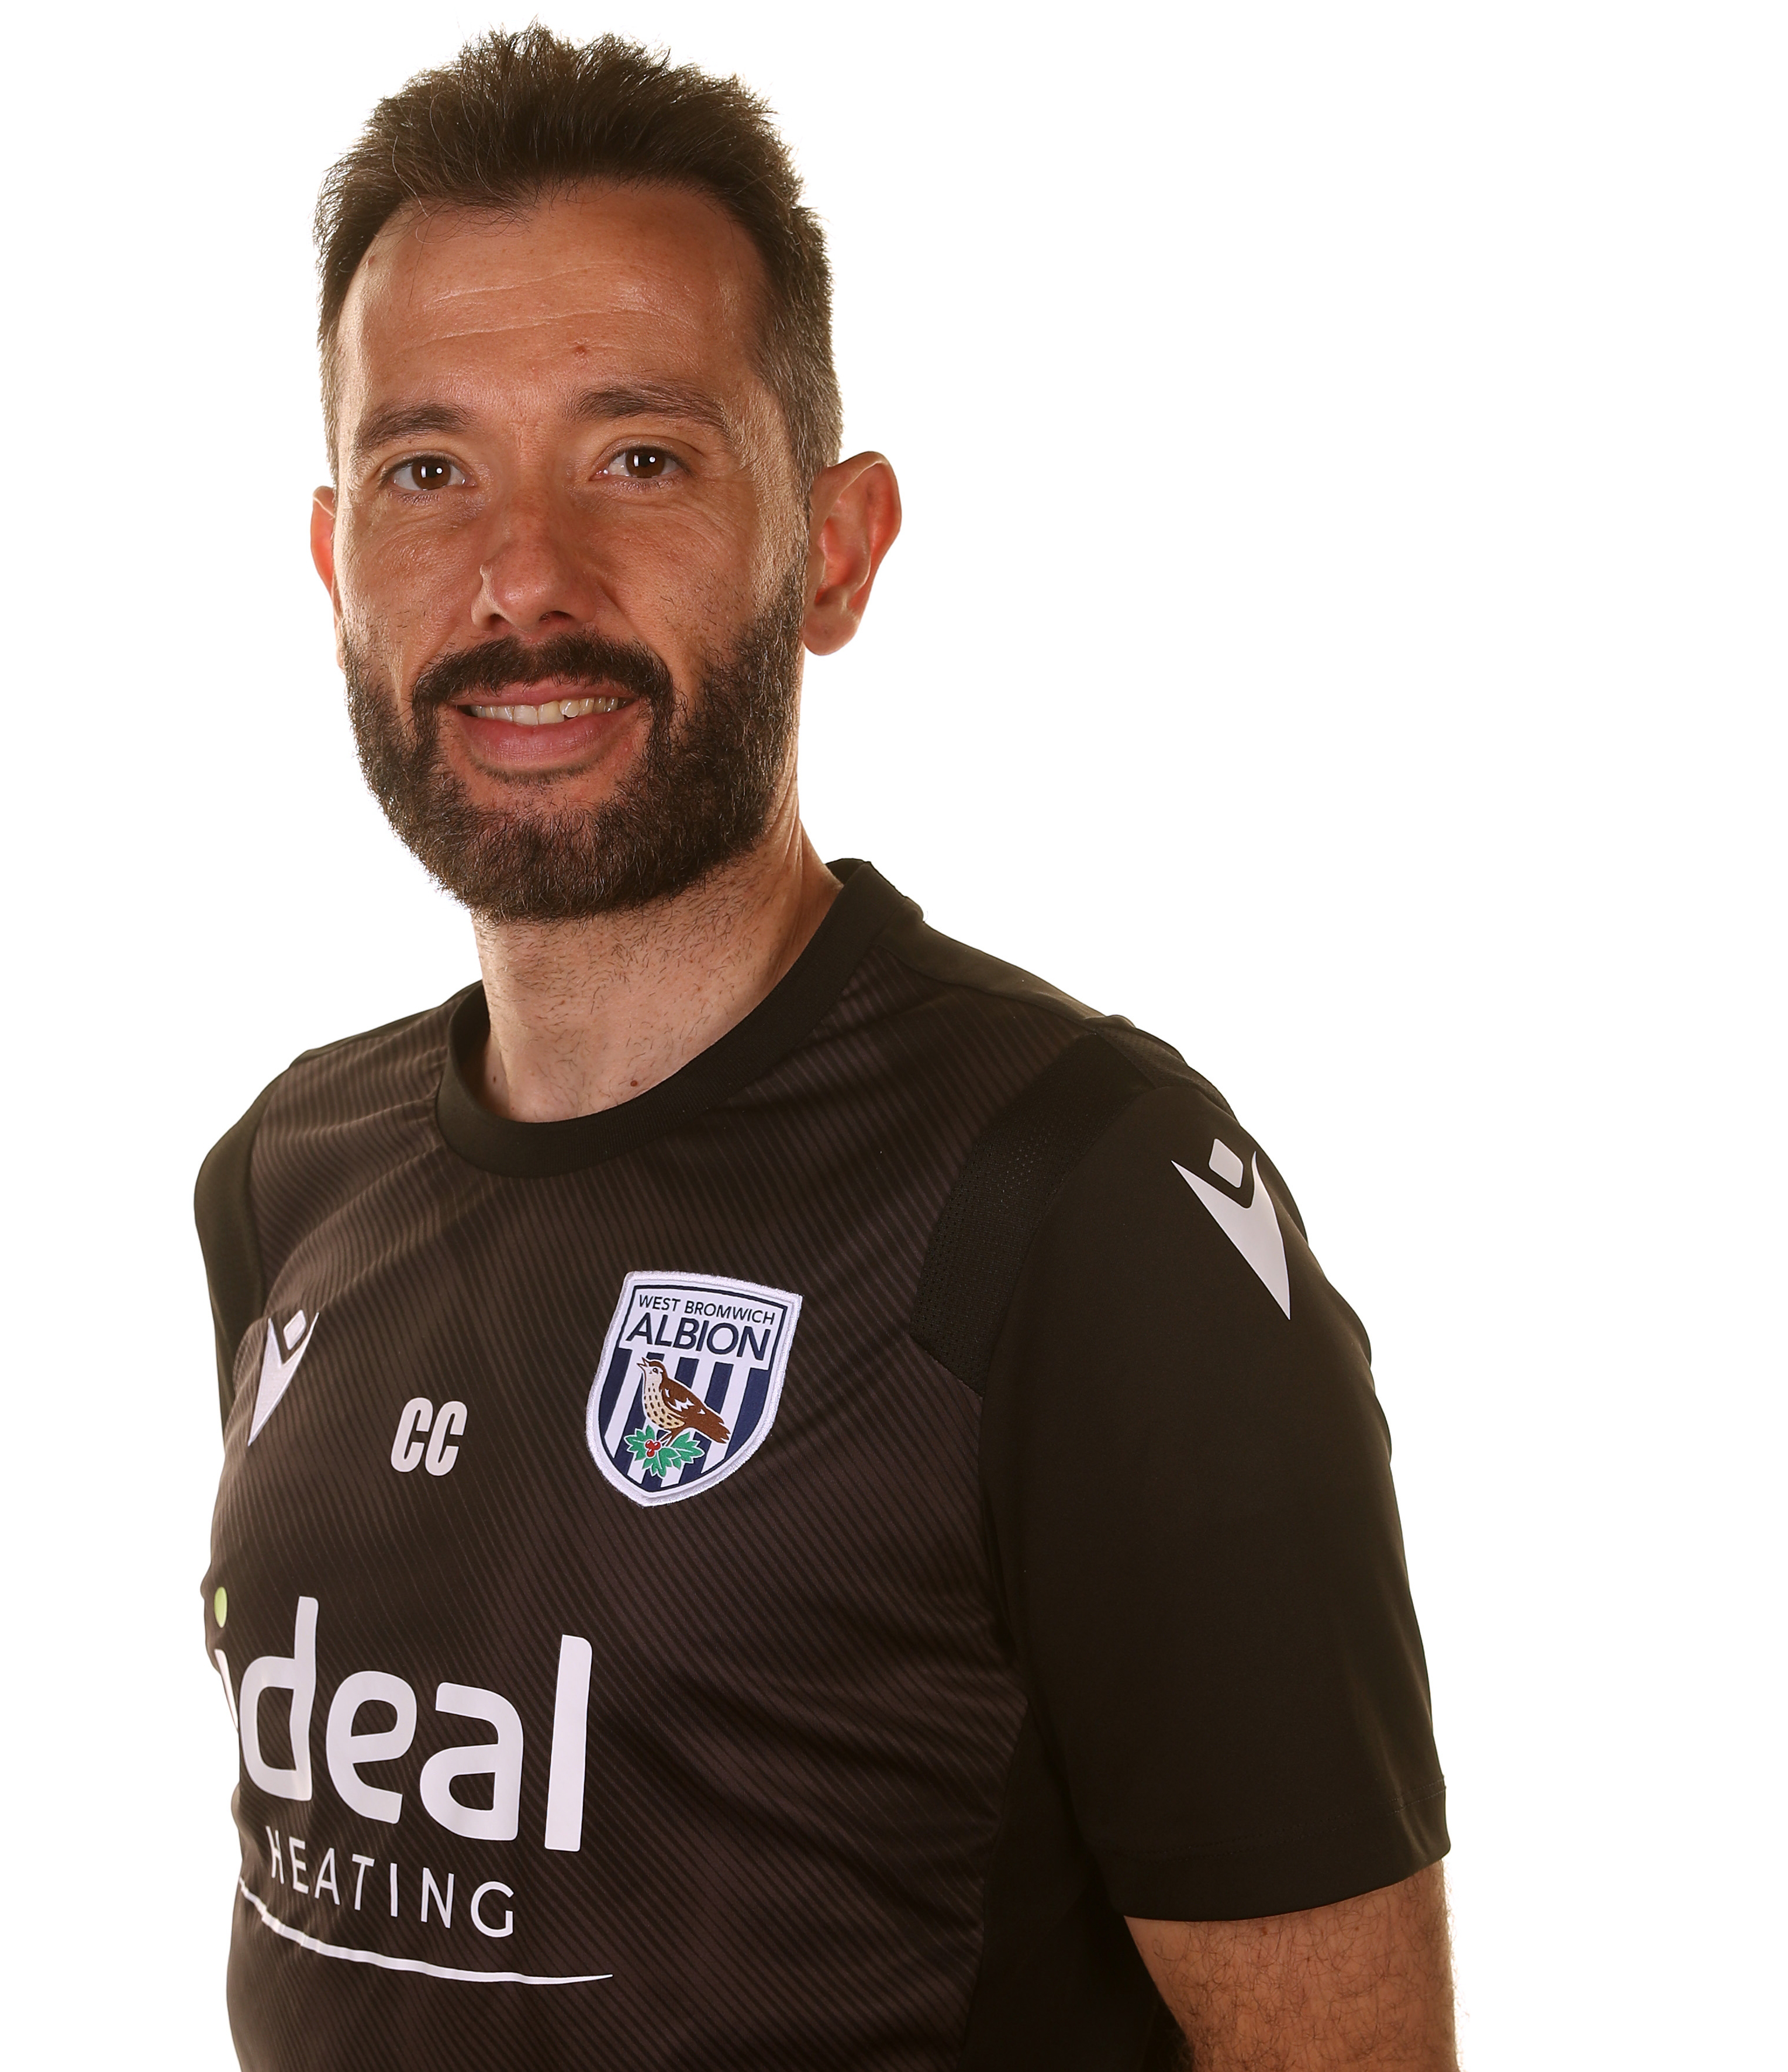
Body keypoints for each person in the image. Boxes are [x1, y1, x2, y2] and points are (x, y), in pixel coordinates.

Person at [195, 29, 1454, 2070]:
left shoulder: (1085, 1208)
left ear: (838, 548)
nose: (522, 578)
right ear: (341, 565)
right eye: (431, 470)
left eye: (640, 457)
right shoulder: (282, 1181)